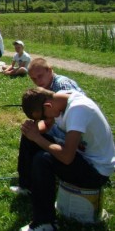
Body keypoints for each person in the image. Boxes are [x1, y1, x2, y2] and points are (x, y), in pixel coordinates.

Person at [18, 87, 115, 231]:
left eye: (42, 117)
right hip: (81, 156)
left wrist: (37, 137)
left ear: (48, 106)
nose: (43, 120)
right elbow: (47, 126)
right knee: (29, 138)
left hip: (96, 171)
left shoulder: (78, 110)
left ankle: (45, 222)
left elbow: (67, 157)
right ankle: (27, 187)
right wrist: (33, 131)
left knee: (43, 159)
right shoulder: (60, 100)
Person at [11, 57, 85, 196]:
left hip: (73, 141)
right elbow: (50, 122)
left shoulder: (62, 86)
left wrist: (38, 135)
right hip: (61, 135)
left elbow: (73, 119)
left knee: (35, 144)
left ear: (50, 70)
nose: (38, 81)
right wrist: (34, 131)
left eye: (40, 76)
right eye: (33, 79)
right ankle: (28, 182)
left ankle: (28, 184)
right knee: (28, 135)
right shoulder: (46, 89)